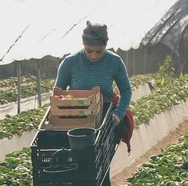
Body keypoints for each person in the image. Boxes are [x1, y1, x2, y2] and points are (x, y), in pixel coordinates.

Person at [55, 22, 136, 151]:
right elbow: (58, 92)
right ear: (83, 46)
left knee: (101, 161)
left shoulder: (115, 62)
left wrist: (118, 114)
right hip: (76, 117)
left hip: (104, 118)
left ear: (105, 46)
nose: (93, 56)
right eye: (89, 51)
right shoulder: (70, 62)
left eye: (99, 51)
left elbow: (126, 91)